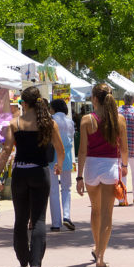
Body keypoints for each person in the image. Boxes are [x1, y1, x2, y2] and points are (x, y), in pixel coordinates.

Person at [0, 86, 64, 267]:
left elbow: (6, 152)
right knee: (39, 219)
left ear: (24, 104)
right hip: (40, 173)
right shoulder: (49, 124)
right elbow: (61, 149)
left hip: (20, 174)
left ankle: (23, 258)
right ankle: (36, 263)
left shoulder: (15, 123)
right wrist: (58, 165)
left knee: (21, 219)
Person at [76, 84, 128, 267]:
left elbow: (82, 151)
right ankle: (101, 256)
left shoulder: (86, 120)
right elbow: (124, 149)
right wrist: (125, 166)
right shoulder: (119, 119)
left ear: (95, 99)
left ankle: (97, 246)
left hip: (91, 167)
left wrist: (79, 177)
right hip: (110, 167)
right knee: (108, 213)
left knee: (95, 211)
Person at [48, 99, 75, 231]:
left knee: (53, 190)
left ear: (53, 108)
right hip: (67, 157)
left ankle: (55, 223)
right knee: (66, 188)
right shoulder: (69, 121)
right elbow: (71, 139)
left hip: (52, 157)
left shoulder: (50, 120)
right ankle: (66, 215)